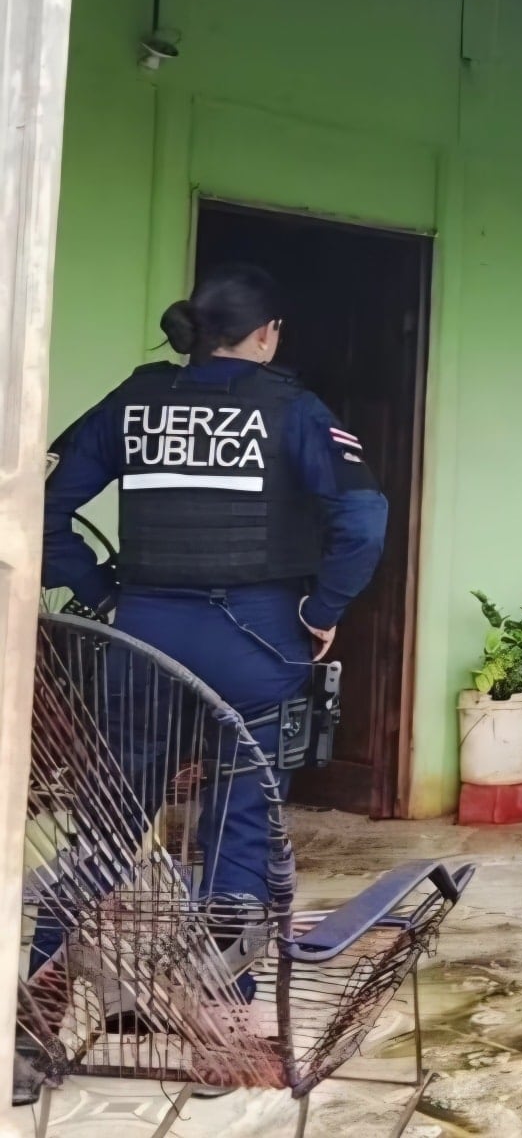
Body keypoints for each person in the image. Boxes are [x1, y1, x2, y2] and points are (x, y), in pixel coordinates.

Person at [41, 263, 388, 922]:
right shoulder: (293, 410)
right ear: (268, 335)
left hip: (142, 633)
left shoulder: (133, 402)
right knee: (241, 827)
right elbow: (365, 521)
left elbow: (41, 499)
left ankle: (34, 1000)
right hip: (255, 638)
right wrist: (324, 609)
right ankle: (225, 1006)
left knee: (106, 826)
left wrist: (97, 591)